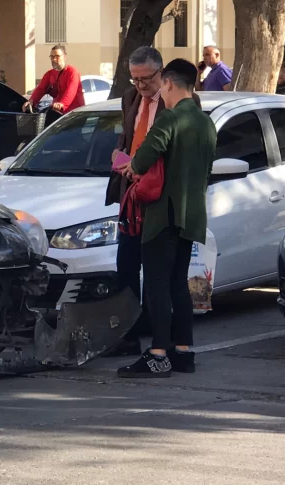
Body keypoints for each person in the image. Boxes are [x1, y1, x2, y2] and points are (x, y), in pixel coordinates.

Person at [116, 59, 217, 378]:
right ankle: (184, 352)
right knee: (178, 283)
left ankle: (158, 353)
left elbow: (142, 160)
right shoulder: (205, 122)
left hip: (163, 213)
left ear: (169, 83)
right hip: (192, 215)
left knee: (157, 283)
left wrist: (128, 165)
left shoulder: (169, 119)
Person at [105, 47, 202, 358]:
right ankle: (129, 336)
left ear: (163, 75)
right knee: (127, 267)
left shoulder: (183, 107)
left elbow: (166, 153)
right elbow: (129, 136)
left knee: (162, 277)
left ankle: (162, 347)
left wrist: (135, 164)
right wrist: (120, 156)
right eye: (135, 80)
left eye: (146, 79)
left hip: (160, 199)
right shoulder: (130, 98)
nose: (141, 86)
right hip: (131, 197)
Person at [22, 45, 85, 127]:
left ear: (65, 57)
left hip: (75, 114)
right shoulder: (49, 74)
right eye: (52, 57)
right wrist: (31, 101)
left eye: (57, 56)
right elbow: (40, 89)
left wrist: (62, 104)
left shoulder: (72, 72)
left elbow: (71, 90)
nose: (54, 59)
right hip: (58, 115)